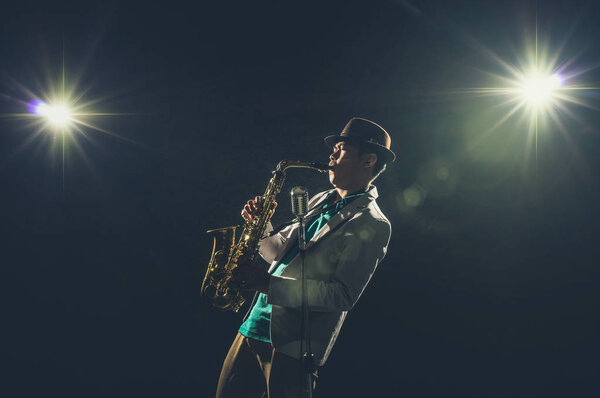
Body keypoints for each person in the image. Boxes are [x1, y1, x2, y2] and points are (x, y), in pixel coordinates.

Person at [215, 117, 395, 398]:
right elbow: (276, 252)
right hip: (252, 327)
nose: (331, 154)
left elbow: (341, 296)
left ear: (368, 160)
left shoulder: (372, 223)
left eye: (341, 148)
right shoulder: (320, 200)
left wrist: (269, 285)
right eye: (333, 148)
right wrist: (262, 224)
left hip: (292, 347)